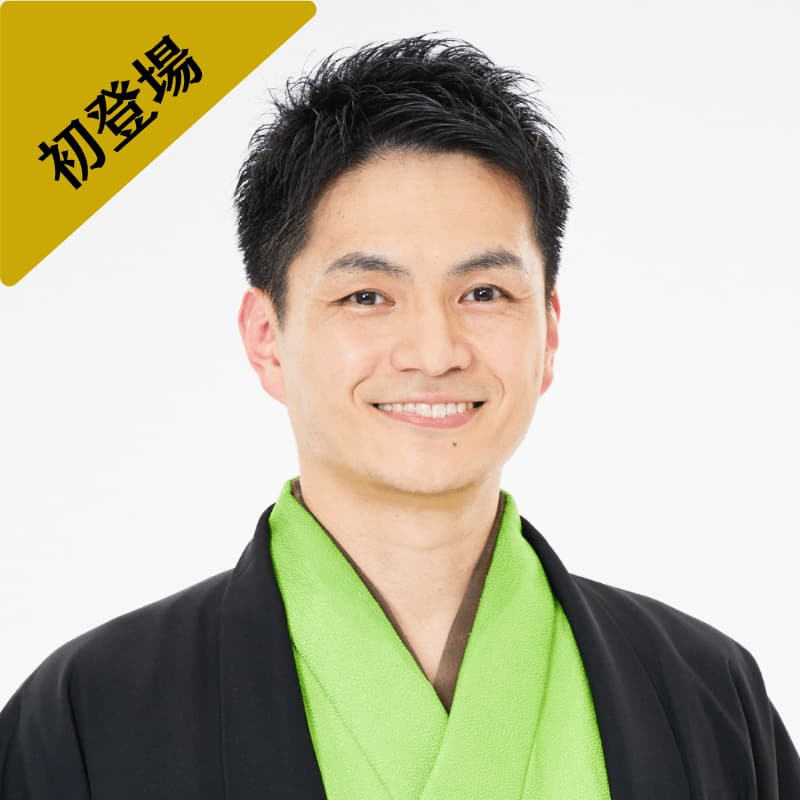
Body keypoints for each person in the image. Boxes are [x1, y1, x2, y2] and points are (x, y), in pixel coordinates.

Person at [1, 34, 798, 799]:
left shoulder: (708, 696)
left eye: (484, 292)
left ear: (549, 334)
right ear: (266, 336)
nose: (434, 350)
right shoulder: (87, 716)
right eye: (366, 296)